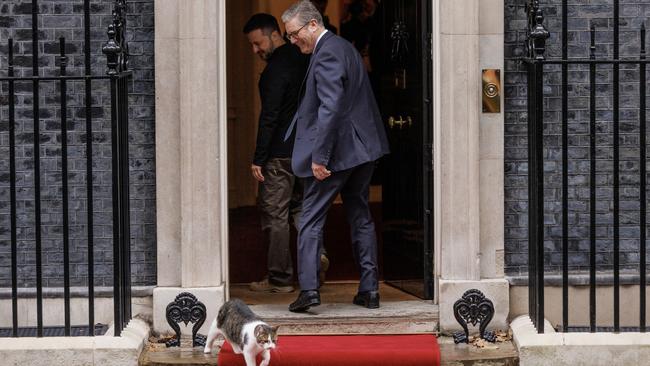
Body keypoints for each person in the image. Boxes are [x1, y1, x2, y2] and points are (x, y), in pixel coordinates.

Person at [281, 1, 389, 312]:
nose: (292, 40)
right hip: (363, 151)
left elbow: (330, 107)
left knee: (310, 219)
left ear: (313, 24)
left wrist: (320, 157)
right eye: (289, 35)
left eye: (294, 33)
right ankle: (369, 290)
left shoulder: (326, 51)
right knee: (360, 215)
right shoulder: (344, 47)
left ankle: (309, 290)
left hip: (338, 153)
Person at [243, 13, 309, 293]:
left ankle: (280, 279)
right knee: (301, 208)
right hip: (307, 149)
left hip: (280, 153)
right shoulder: (305, 58)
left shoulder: (274, 70)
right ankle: (316, 259)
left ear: (273, 34)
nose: (255, 50)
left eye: (258, 43)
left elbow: (269, 116)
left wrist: (259, 157)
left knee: (274, 212)